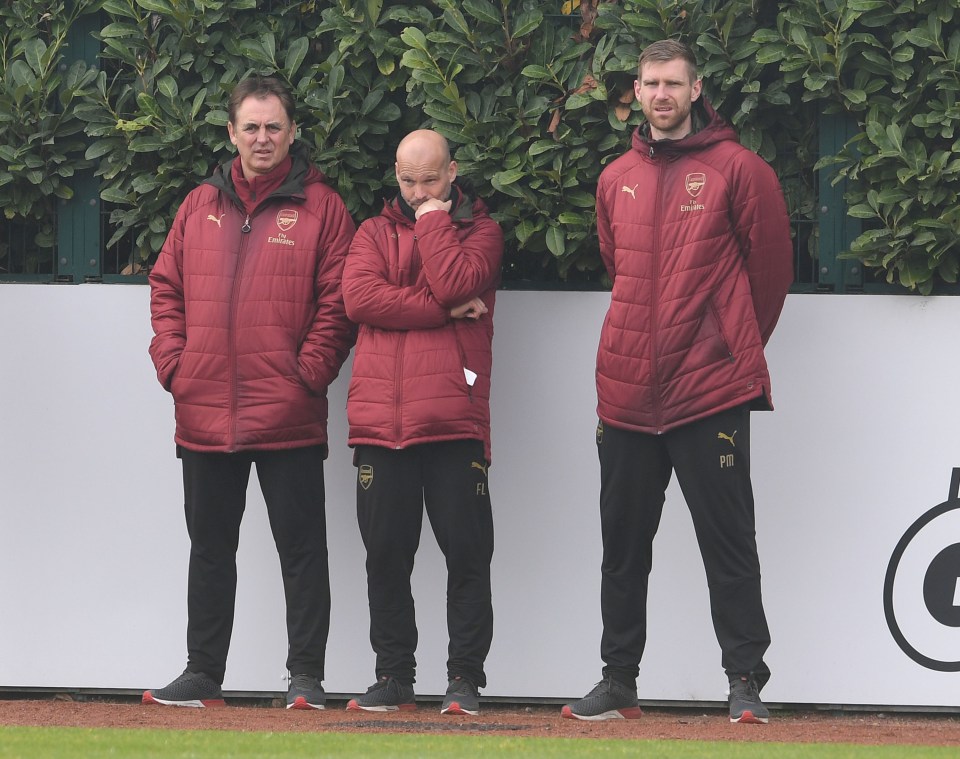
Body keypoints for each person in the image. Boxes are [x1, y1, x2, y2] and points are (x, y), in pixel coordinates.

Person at [562, 40, 793, 724]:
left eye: (673, 83)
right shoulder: (615, 178)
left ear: (696, 90)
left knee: (729, 542)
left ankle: (745, 679)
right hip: (628, 394)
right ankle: (618, 678)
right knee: (622, 545)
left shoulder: (739, 170)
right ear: (635, 91)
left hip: (710, 392)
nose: (661, 94)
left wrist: (727, 346)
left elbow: (770, 274)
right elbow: (619, 266)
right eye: (650, 83)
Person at [143, 76, 355, 710]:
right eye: (251, 127)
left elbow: (337, 303)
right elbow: (165, 287)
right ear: (231, 132)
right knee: (210, 550)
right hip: (204, 409)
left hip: (286, 410)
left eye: (274, 127)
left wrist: (309, 372)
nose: (263, 138)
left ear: (292, 133)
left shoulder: (324, 208)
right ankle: (203, 672)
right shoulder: (197, 205)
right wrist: (174, 365)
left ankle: (306, 678)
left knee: (301, 551)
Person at [340, 129, 503, 717]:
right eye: (408, 180)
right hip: (380, 426)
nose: (416, 191)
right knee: (385, 556)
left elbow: (460, 281)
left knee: (466, 554)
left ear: (452, 172)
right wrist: (440, 312)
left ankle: (464, 679)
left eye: (429, 179)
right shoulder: (371, 232)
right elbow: (358, 300)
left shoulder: (480, 231)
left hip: (454, 421)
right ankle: (394, 677)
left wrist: (434, 221)